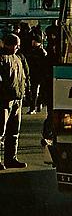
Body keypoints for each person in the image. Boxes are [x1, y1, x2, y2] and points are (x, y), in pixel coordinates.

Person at [0, 33, 30, 169]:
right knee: (1, 132)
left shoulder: (18, 57)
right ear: (9, 44)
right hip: (4, 100)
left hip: (17, 98)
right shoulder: (2, 58)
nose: (18, 47)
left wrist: (25, 92)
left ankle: (11, 159)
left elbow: (25, 75)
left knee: (13, 132)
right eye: (16, 45)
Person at [27, 31, 49, 114]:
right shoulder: (34, 51)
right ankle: (37, 105)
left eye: (35, 41)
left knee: (36, 91)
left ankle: (34, 106)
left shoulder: (41, 52)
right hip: (35, 74)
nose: (33, 42)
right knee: (35, 92)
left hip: (38, 74)